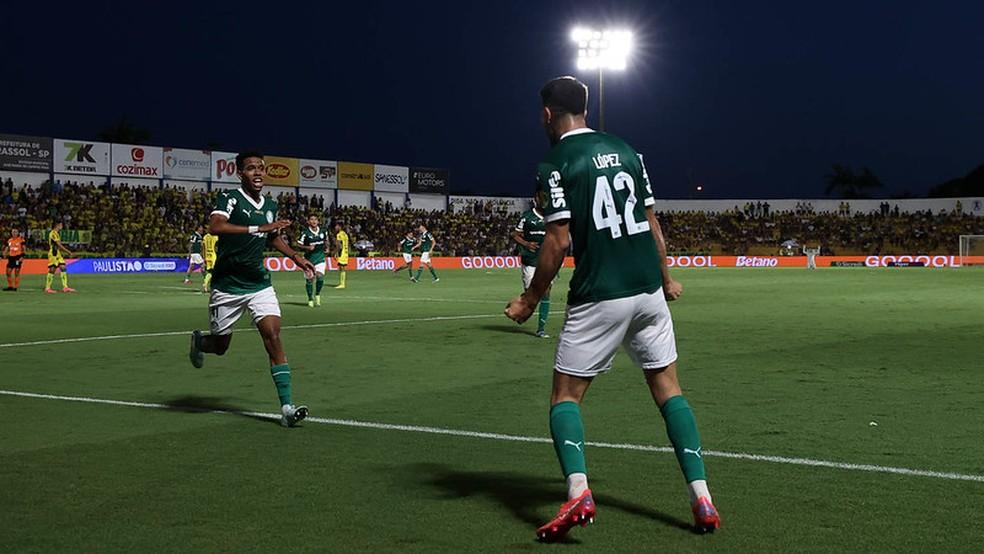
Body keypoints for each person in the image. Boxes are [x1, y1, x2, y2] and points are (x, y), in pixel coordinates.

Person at [505, 76, 720, 541]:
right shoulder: (627, 149)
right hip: (647, 290)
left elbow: (558, 239)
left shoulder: (554, 162)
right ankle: (701, 495)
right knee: (669, 390)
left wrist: (530, 298)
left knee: (565, 397)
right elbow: (649, 220)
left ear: (547, 114)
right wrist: (665, 277)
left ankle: (579, 490)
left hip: (601, 292)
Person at [188, 151, 315, 428]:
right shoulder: (229, 198)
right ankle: (200, 341)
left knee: (273, 335)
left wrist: (296, 257)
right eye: (250, 168)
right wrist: (260, 226)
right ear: (240, 173)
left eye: (261, 168)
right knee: (220, 346)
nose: (257, 172)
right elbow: (215, 226)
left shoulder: (270, 203)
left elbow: (273, 237)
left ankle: (287, 408)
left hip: (258, 283)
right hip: (227, 285)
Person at [510, 193, 551, 337]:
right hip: (530, 260)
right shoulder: (527, 217)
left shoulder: (552, 217)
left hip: (547, 261)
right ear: (536, 200)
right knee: (531, 293)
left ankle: (541, 329)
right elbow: (514, 234)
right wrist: (526, 244)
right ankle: (516, 307)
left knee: (546, 292)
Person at [297, 214, 329, 306]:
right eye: (311, 219)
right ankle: (310, 298)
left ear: (318, 221)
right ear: (308, 221)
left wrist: (327, 248)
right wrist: (307, 247)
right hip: (308, 260)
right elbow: (298, 244)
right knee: (310, 279)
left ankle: (317, 294)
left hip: (320, 258)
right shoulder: (305, 233)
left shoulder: (323, 231)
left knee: (320, 276)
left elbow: (326, 241)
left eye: (315, 219)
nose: (314, 221)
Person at [45, 222, 75, 294]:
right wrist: (68, 252)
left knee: (63, 267)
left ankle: (65, 287)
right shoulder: (53, 233)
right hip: (53, 253)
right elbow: (59, 245)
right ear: (57, 225)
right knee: (52, 269)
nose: (62, 226)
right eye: (61, 225)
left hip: (57, 253)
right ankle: (47, 288)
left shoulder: (57, 233)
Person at [333, 221, 349, 289]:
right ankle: (342, 283)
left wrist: (335, 252)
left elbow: (339, 245)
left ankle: (342, 284)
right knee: (342, 268)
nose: (335, 228)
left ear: (340, 227)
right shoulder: (345, 234)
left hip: (342, 253)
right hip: (345, 252)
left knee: (341, 267)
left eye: (336, 226)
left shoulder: (339, 235)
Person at [201, 229, 218, 293]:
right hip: (213, 256)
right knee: (214, 272)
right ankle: (213, 286)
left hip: (207, 256)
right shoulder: (215, 237)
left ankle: (205, 285)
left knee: (209, 272)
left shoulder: (205, 237)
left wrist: (204, 258)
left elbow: (203, 248)